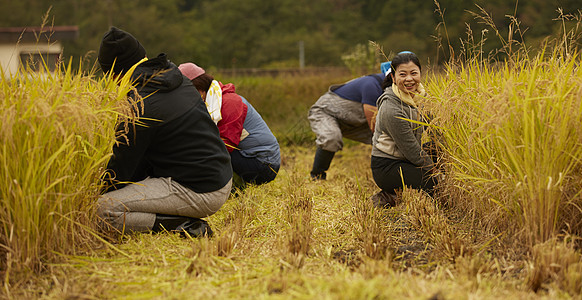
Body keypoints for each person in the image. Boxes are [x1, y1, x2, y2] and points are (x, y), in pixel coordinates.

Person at [96, 27, 232, 237]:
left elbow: (121, 173)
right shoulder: (175, 77)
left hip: (198, 190)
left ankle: (183, 226)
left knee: (102, 209)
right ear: (143, 56)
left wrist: (90, 193)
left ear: (113, 75)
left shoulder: (139, 104)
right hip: (218, 175)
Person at [178, 62, 280, 186]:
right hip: (244, 156)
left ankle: (228, 188)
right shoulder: (211, 101)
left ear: (199, 89)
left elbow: (224, 146)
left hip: (263, 165)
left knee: (207, 154)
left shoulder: (229, 103)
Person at [370, 52, 437, 208]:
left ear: (420, 74)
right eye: (402, 74)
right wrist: (436, 171)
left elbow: (434, 127)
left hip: (406, 158)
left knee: (439, 152)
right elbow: (411, 150)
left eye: (414, 73)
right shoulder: (391, 109)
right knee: (434, 183)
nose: (409, 79)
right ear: (393, 78)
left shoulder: (421, 97)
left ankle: (402, 189)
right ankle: (388, 195)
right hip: (388, 166)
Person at [307, 63, 389, 180]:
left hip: (354, 122)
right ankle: (317, 176)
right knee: (331, 138)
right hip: (326, 112)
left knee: (389, 139)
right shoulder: (372, 85)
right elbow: (374, 125)